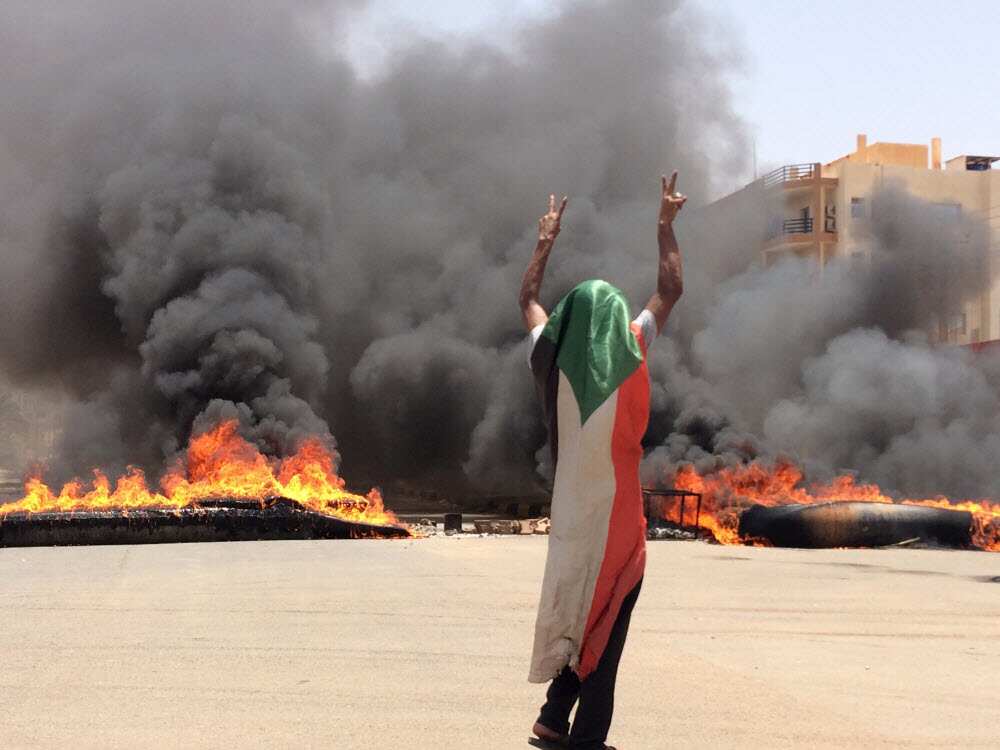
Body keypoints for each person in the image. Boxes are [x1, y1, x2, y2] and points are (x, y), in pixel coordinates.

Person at [519, 173, 687, 750]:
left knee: (580, 614)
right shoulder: (632, 346)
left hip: (570, 517)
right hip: (616, 526)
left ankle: (552, 717)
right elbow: (669, 290)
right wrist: (664, 227)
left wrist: (545, 244)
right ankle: (588, 739)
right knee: (608, 624)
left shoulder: (549, 355)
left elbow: (528, 302)